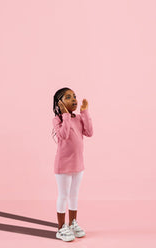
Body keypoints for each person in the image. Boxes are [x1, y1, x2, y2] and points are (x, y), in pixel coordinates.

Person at [51, 87, 93, 241]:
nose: (74, 99)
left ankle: (73, 222)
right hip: (63, 166)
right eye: (68, 97)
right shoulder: (58, 120)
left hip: (78, 165)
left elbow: (89, 132)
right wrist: (66, 115)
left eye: (74, 96)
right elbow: (64, 134)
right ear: (60, 103)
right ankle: (61, 227)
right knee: (63, 195)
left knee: (74, 195)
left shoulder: (79, 118)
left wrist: (85, 113)